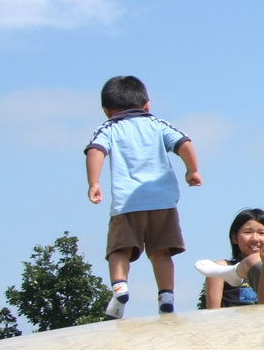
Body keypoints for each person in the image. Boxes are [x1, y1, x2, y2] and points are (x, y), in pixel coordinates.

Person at [85, 75, 202, 319]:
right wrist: (192, 170)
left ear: (107, 111)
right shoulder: (158, 124)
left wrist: (94, 183)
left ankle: (120, 287)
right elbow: (184, 143)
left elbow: (96, 150)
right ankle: (166, 296)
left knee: (119, 249)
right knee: (161, 252)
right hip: (163, 203)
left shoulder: (109, 128)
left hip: (127, 204)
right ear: (147, 104)